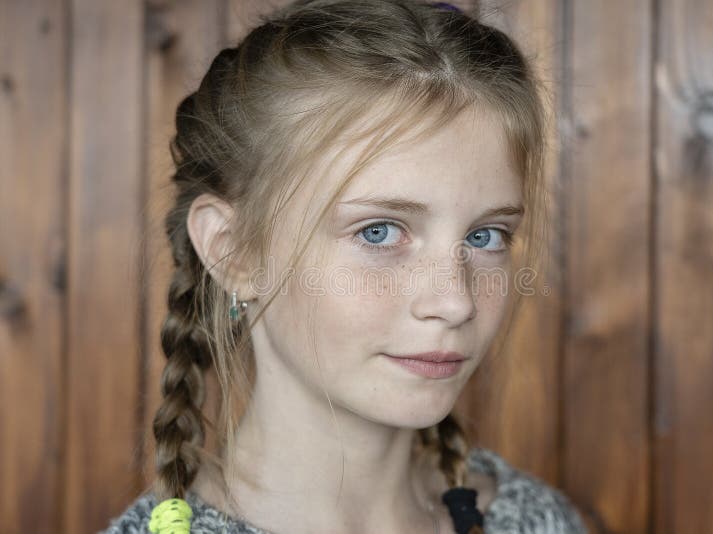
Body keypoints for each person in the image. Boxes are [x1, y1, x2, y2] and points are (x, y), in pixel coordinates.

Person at [101, 0, 588, 532]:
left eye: (485, 235)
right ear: (232, 249)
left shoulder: (537, 520)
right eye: (378, 232)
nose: (456, 301)